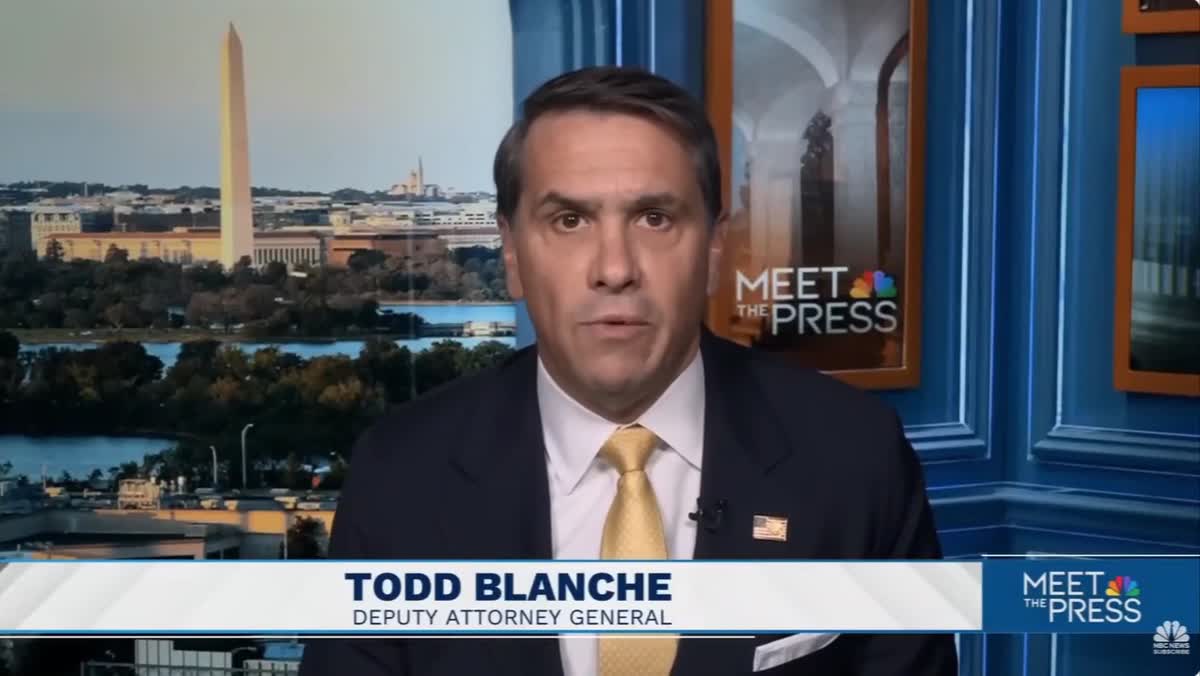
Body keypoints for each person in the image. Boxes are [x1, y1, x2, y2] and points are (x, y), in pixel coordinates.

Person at [298, 65, 956, 676]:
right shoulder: (400, 475)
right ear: (512, 254)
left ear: (715, 247)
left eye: (654, 218)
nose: (614, 268)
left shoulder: (856, 456)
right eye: (569, 220)